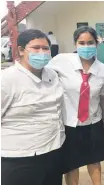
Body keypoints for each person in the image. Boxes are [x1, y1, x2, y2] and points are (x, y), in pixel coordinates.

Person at [1, 29, 65, 185]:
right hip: (20, 158)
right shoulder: (7, 80)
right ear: (21, 50)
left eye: (45, 48)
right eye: (36, 48)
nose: (42, 52)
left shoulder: (52, 75)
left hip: (53, 151)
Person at [47, 26, 104, 185]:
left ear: (97, 43)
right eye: (82, 43)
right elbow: (45, 76)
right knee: (70, 164)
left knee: (94, 161)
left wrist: (103, 120)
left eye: (90, 42)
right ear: (75, 44)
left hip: (93, 122)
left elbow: (103, 97)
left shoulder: (103, 70)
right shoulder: (61, 61)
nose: (86, 46)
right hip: (69, 122)